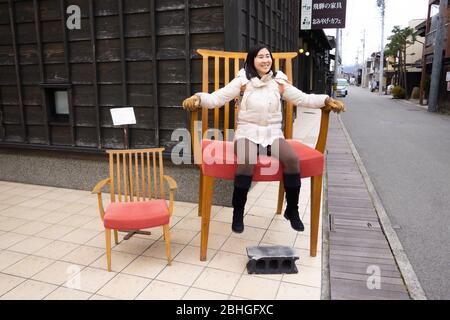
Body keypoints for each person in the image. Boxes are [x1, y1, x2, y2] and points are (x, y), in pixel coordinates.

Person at [182, 46, 345, 233]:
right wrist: (198, 99)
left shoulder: (279, 82)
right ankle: (238, 212)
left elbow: (304, 99)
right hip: (247, 133)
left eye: (268, 57)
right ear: (252, 60)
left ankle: (292, 209)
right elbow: (217, 98)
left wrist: (325, 100)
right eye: (261, 57)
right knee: (247, 161)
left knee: (292, 160)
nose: (266, 60)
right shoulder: (242, 82)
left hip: (272, 134)